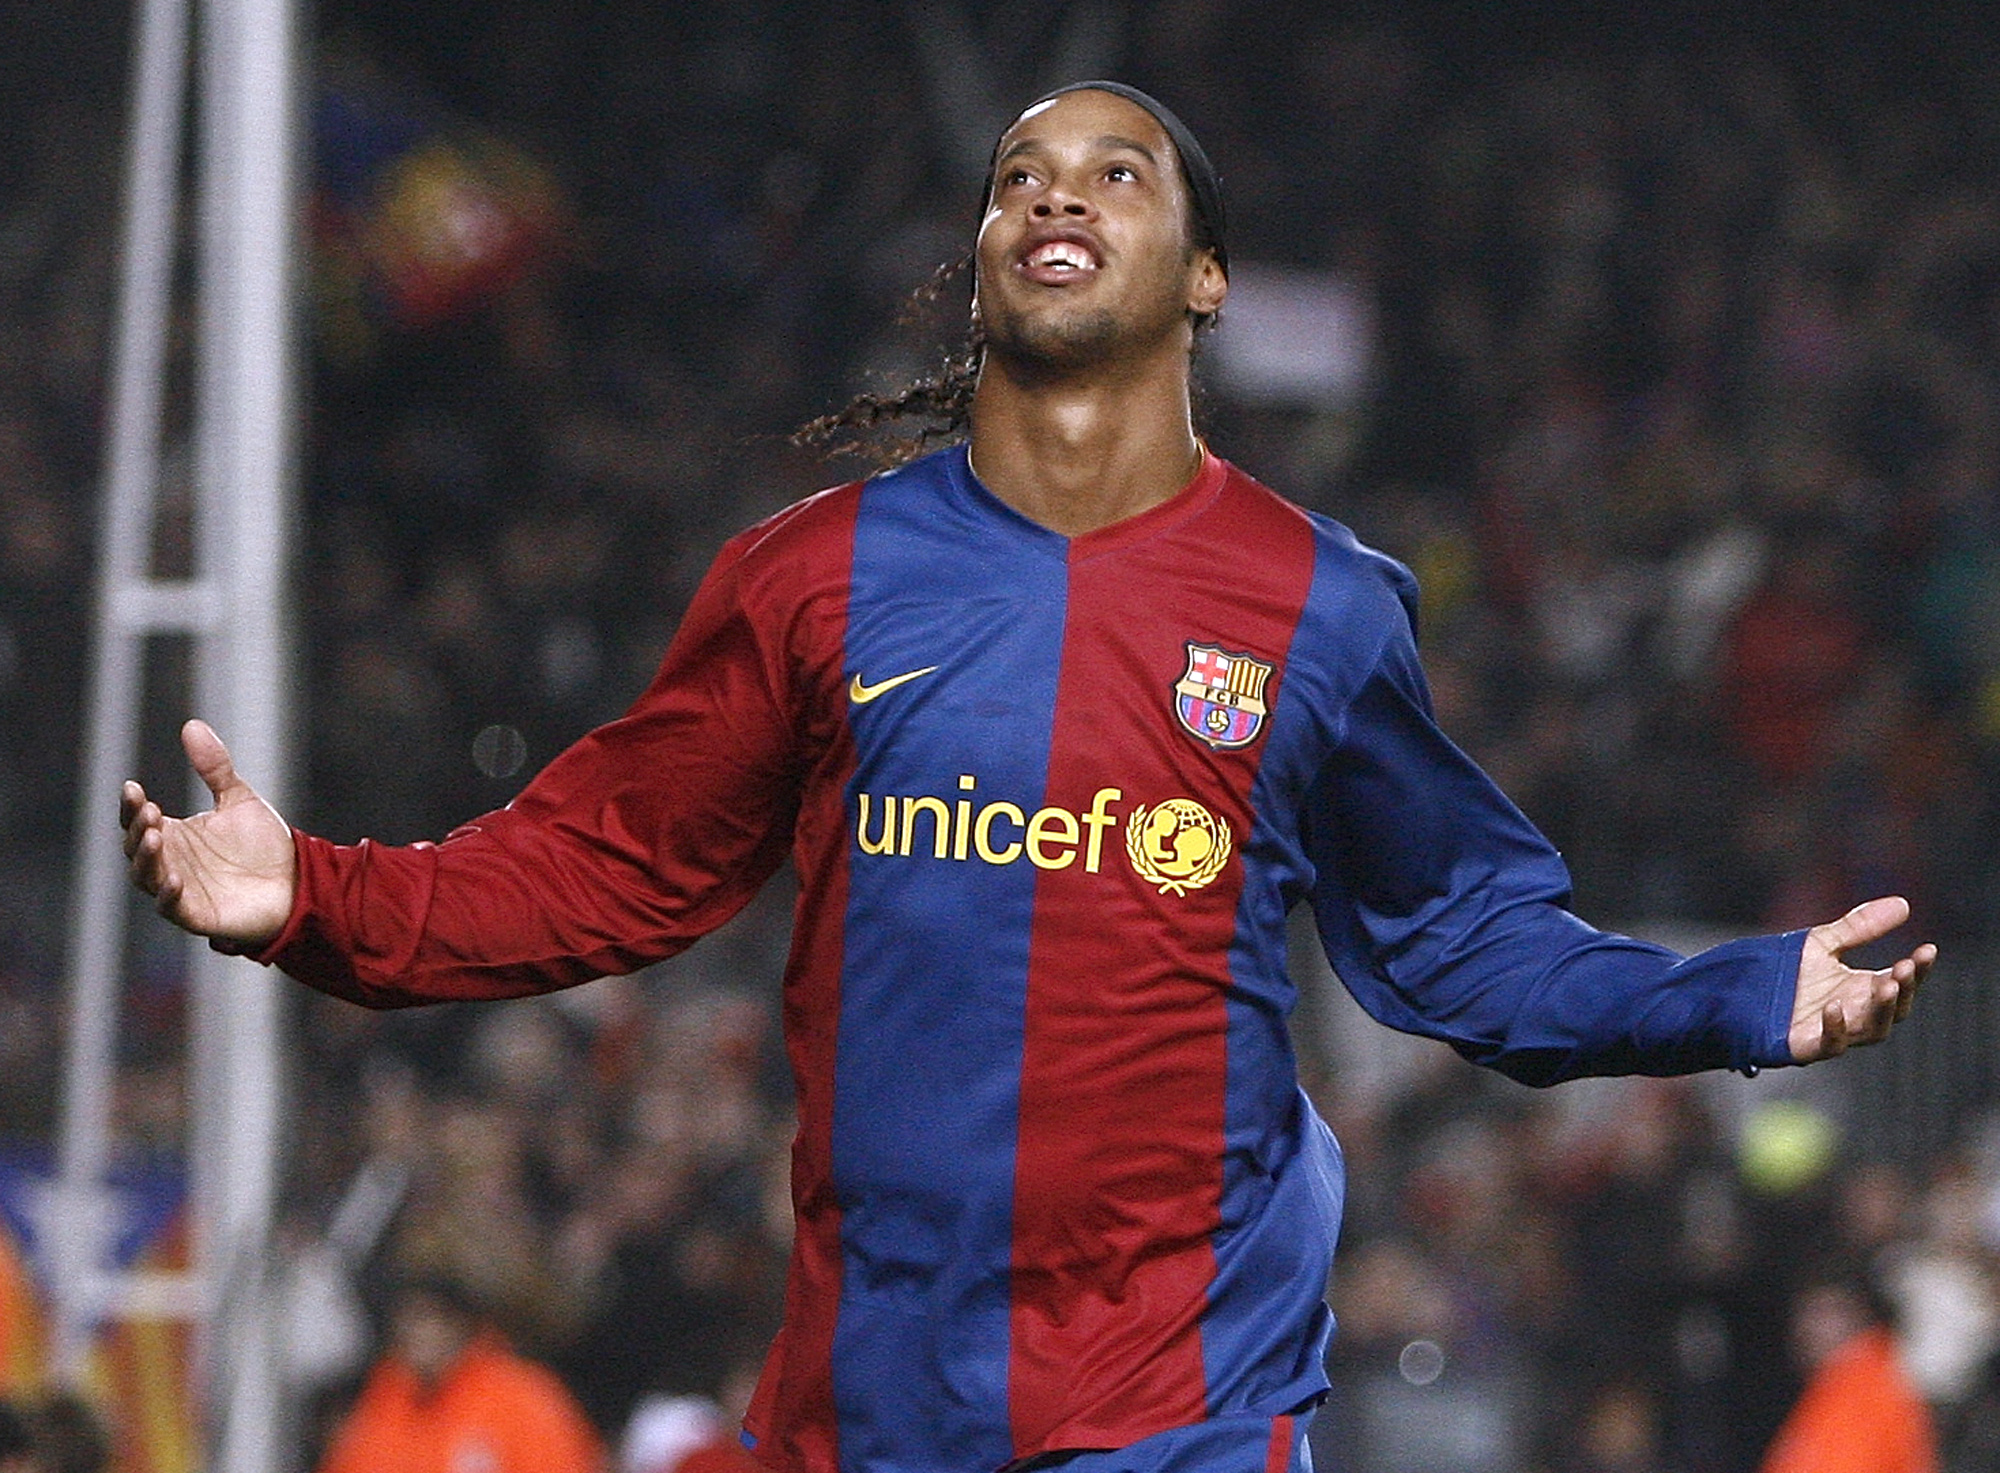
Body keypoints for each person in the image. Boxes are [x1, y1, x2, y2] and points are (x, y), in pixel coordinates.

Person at [122, 82, 1933, 1473]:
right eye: (1017, 174)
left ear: (1206, 277)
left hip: (1183, 1391)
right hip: (876, 1389)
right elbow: (607, 860)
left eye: (1115, 171)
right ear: (986, 252)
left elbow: (1466, 936)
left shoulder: (1318, 604)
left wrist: (1740, 992)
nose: (1053, 189)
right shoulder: (810, 577)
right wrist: (321, 894)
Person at [315, 1271, 604, 1473]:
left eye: (431, 1318)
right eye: (407, 1321)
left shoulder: (521, 1398)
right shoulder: (383, 1401)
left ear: (462, 1325)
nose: (417, 1333)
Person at [1757, 1267, 1938, 1473]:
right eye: (1805, 1313)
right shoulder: (1839, 1385)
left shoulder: (1866, 1391)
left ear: (1862, 1315)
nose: (1808, 1329)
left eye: (1825, 1314)